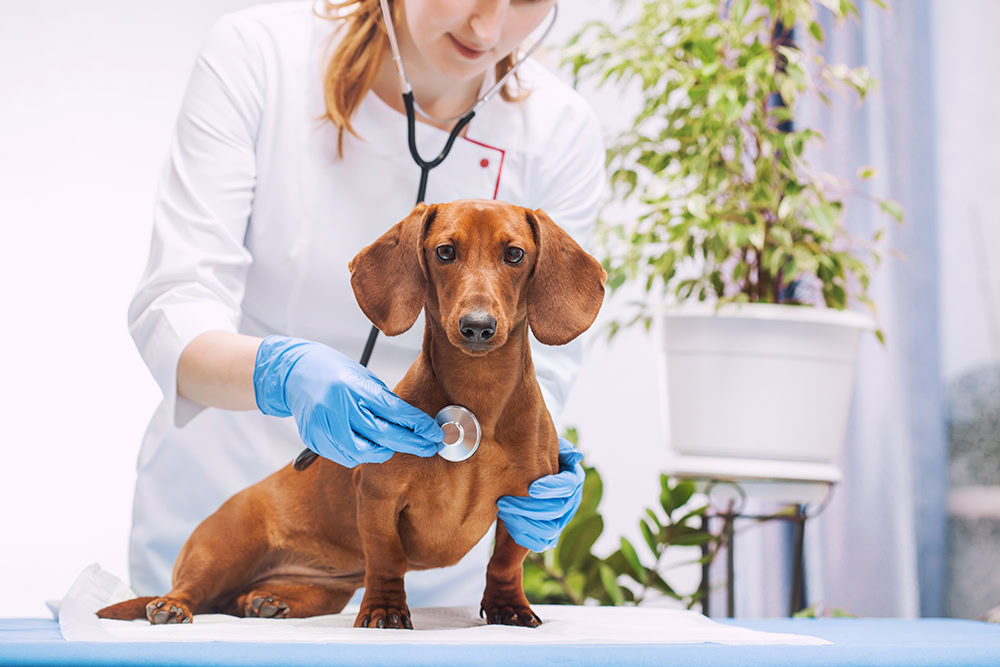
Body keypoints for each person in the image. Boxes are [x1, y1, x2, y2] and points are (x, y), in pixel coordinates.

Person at [126, 0, 605, 608]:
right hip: (236, 493)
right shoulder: (260, 55)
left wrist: (537, 458)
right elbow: (176, 303)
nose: (488, 27)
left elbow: (549, 349)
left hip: (429, 565)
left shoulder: (561, 128)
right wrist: (282, 374)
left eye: (527, 0)